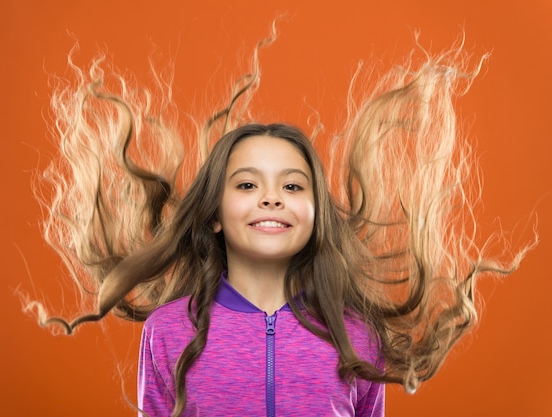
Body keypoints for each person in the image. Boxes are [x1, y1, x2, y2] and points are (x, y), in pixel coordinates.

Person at [28, 28, 534, 417]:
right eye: (247, 185)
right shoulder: (168, 332)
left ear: (316, 216)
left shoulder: (356, 335)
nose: (272, 199)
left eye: (292, 186)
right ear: (214, 216)